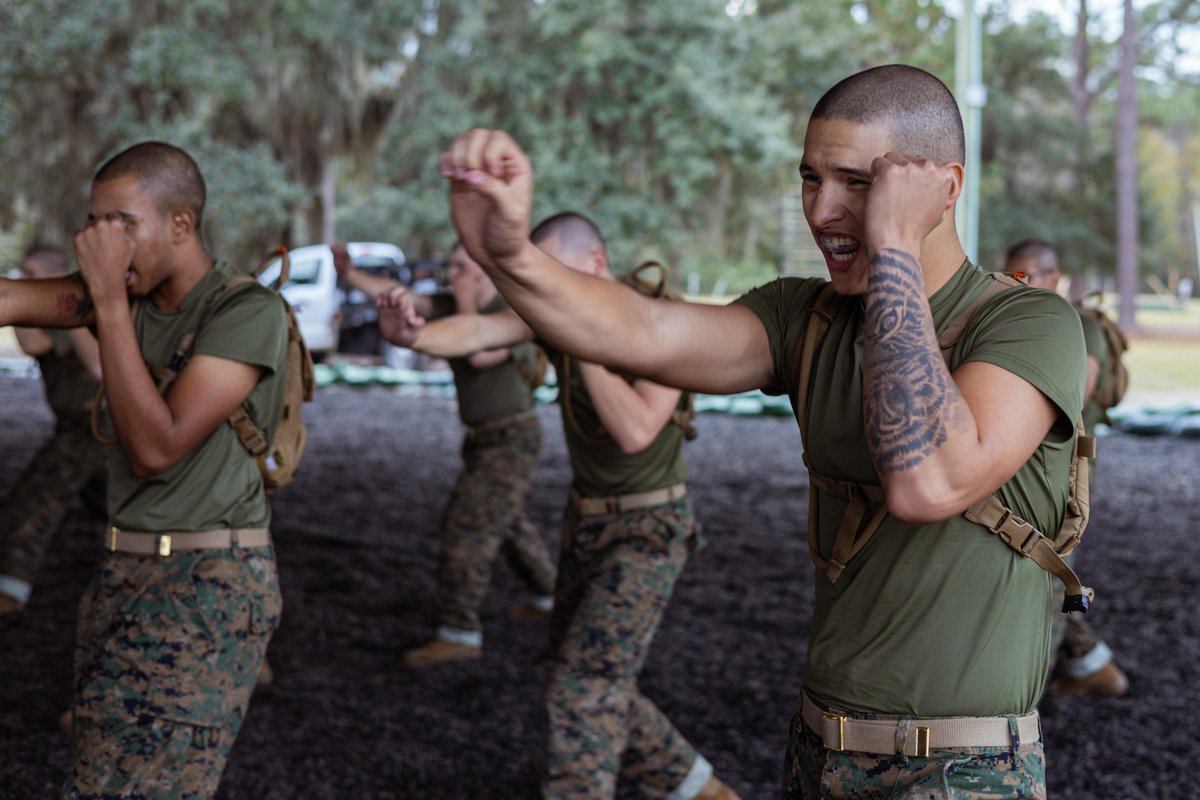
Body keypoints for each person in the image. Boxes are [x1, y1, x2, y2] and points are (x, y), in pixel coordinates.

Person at [435, 64, 1088, 799]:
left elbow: (929, 480)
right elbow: (640, 330)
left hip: (966, 771)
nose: (822, 210)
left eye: (857, 183)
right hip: (817, 753)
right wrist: (508, 255)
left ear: (944, 187)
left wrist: (896, 249)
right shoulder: (804, 317)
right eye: (811, 179)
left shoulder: (1031, 324)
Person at [378, 212, 739, 800]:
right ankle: (698, 787)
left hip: (649, 531)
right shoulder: (554, 314)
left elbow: (635, 430)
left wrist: (582, 342)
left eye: (555, 272)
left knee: (584, 684)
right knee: (588, 669)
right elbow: (477, 332)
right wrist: (412, 337)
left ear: (596, 263)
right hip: (586, 522)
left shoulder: (664, 320)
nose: (547, 288)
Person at [0, 141, 287, 798]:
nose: (103, 241)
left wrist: (105, 301)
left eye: (122, 223)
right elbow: (11, 298)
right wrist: (106, 297)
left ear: (180, 224)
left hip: (206, 585)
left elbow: (157, 447)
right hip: (125, 574)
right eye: (95, 222)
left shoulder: (245, 311)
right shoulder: (128, 296)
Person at [333, 241, 557, 667]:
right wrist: (351, 275)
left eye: (459, 268)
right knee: (505, 520)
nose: (451, 276)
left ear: (482, 271)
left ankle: (459, 631)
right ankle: (548, 594)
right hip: (482, 438)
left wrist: (466, 297)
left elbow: (477, 351)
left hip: (512, 437)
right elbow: (397, 295)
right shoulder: (452, 303)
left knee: (467, 529)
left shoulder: (511, 312)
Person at [1005, 238, 1129, 698]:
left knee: (1051, 567)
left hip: (1067, 468)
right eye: (1009, 276)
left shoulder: (1080, 326)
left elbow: (1076, 392)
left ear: (1053, 277)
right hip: (1028, 460)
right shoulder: (1025, 319)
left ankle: (1031, 690)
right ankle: (1089, 664)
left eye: (1025, 276)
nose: (1016, 284)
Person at [0, 244, 108, 614]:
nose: (23, 279)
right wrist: (27, 301)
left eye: (32, 274)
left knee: (39, 494)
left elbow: (99, 367)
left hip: (100, 433)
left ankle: (10, 586)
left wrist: (68, 302)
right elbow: (33, 344)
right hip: (76, 430)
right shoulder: (45, 319)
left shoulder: (92, 309)